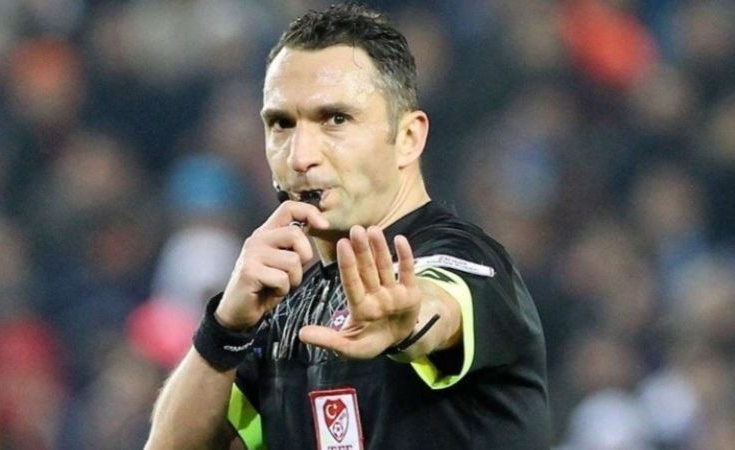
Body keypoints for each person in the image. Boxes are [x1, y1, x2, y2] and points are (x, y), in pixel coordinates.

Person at [146, 4, 549, 449]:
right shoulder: (282, 308)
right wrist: (226, 328)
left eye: (335, 119)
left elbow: (441, 303)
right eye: (281, 124)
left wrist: (410, 323)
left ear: (408, 137)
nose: (300, 156)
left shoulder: (464, 257)